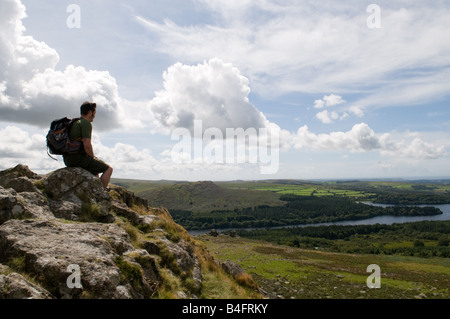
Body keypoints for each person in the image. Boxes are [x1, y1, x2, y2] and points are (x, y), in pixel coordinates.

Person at [63, 101, 113, 189]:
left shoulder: (75, 122)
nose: (94, 116)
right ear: (90, 112)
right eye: (94, 113)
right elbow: (87, 145)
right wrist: (92, 157)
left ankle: (95, 189)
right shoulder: (85, 123)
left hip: (68, 159)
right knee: (108, 169)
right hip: (78, 158)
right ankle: (102, 193)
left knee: (95, 169)